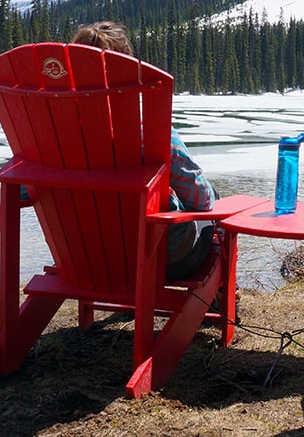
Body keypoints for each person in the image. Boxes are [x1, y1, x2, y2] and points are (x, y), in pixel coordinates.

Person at [71, 21, 218, 280]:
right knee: (214, 206)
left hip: (85, 259)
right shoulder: (147, 131)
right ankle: (222, 297)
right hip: (159, 259)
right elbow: (200, 199)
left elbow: (28, 191)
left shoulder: (55, 135)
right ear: (127, 69)